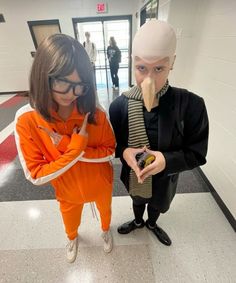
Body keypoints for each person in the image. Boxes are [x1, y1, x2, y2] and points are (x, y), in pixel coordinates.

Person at [14, 34, 116, 263]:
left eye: (80, 86)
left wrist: (70, 147)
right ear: (42, 77)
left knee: (106, 213)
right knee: (70, 221)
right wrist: (75, 148)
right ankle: (72, 237)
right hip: (67, 191)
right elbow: (36, 174)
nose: (72, 94)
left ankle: (105, 230)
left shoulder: (94, 112)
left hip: (101, 184)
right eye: (62, 83)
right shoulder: (28, 120)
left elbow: (110, 150)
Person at [109, 20, 209, 246]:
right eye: (141, 68)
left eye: (159, 69)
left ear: (172, 63)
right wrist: (124, 153)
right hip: (134, 175)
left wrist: (167, 160)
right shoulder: (119, 106)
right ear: (132, 63)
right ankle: (137, 222)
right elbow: (113, 145)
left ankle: (152, 224)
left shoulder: (191, 105)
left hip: (166, 178)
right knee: (137, 199)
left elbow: (197, 153)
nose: (149, 80)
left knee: (157, 204)